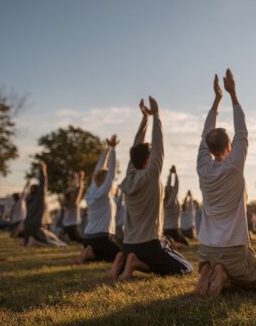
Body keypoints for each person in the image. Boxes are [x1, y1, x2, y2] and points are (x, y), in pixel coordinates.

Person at [195, 69, 256, 297]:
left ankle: (208, 270)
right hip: (233, 249)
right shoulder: (234, 164)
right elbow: (242, 130)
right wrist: (233, 94)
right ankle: (222, 272)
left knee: (214, 261)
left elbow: (205, 135)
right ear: (229, 147)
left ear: (208, 149)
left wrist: (216, 99)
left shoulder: (202, 167)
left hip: (206, 250)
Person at [110, 97, 192, 281]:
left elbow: (136, 146)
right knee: (186, 268)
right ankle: (134, 264)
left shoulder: (129, 177)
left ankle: (123, 259)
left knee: (148, 256)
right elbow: (158, 145)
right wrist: (156, 117)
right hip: (149, 243)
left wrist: (144, 119)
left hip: (128, 243)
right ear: (148, 160)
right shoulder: (151, 174)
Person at [75, 135, 121, 264]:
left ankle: (90, 253)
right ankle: (91, 254)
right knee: (121, 257)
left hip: (88, 238)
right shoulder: (103, 193)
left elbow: (99, 168)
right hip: (102, 238)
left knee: (107, 257)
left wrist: (107, 150)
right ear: (105, 180)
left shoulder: (91, 191)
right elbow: (111, 172)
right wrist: (112, 149)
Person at [22, 161, 68, 247]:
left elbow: (26, 192)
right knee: (54, 243)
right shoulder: (39, 198)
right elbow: (43, 183)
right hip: (37, 227)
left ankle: (28, 241)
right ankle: (35, 242)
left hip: (27, 227)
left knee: (51, 238)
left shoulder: (28, 200)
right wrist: (43, 170)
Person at [163, 165, 189, 248]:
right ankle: (173, 243)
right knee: (185, 246)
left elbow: (168, 185)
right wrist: (175, 174)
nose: (171, 188)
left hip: (171, 230)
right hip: (171, 230)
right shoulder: (169, 202)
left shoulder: (171, 201)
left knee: (186, 244)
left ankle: (171, 243)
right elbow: (176, 187)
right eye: (169, 188)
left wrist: (170, 174)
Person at [62, 171, 85, 244]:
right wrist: (81, 179)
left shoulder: (66, 201)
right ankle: (69, 240)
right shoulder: (74, 202)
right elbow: (80, 190)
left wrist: (75, 179)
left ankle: (68, 239)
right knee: (83, 241)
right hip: (73, 226)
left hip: (66, 226)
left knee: (74, 240)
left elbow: (71, 189)